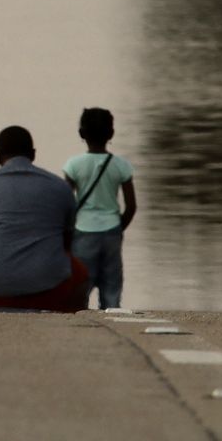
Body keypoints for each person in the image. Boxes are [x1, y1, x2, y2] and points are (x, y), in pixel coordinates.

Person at [0, 126, 90, 312]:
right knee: (80, 271)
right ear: (33, 154)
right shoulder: (61, 188)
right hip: (50, 290)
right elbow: (66, 243)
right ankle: (69, 317)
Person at [63, 107, 137, 310]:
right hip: (112, 230)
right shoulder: (121, 165)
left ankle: (83, 321)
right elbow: (131, 206)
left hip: (83, 230)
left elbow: (66, 204)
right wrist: (118, 228)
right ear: (111, 134)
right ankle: (112, 313)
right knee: (112, 285)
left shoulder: (73, 165)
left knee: (81, 285)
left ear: (81, 134)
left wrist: (66, 234)